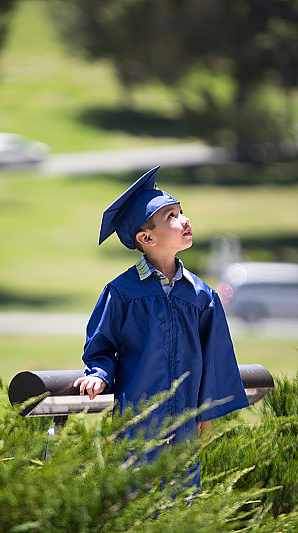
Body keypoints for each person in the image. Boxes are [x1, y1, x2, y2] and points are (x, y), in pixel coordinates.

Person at [73, 166, 249, 486]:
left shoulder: (201, 296)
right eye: (172, 216)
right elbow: (101, 345)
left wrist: (205, 411)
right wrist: (98, 374)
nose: (185, 220)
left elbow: (215, 356)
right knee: (138, 497)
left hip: (184, 424)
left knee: (182, 497)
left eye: (182, 212)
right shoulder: (122, 293)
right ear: (146, 238)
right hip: (137, 423)